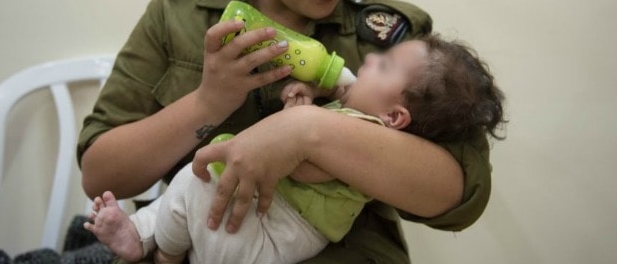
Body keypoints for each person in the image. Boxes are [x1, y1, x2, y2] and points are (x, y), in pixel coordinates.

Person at [77, 0, 498, 263]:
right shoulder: (178, 15)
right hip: (193, 237)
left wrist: (306, 130)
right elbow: (101, 176)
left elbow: (460, 193)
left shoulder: (395, 44)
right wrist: (206, 104)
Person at [83, 34, 506, 264]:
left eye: (385, 65)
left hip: (284, 231)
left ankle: (161, 251)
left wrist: (298, 129)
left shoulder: (370, 135)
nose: (371, 58)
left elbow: (310, 171)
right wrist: (306, 98)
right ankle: (139, 233)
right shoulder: (361, 105)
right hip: (260, 212)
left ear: (395, 117)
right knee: (192, 187)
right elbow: (338, 82)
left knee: (196, 187)